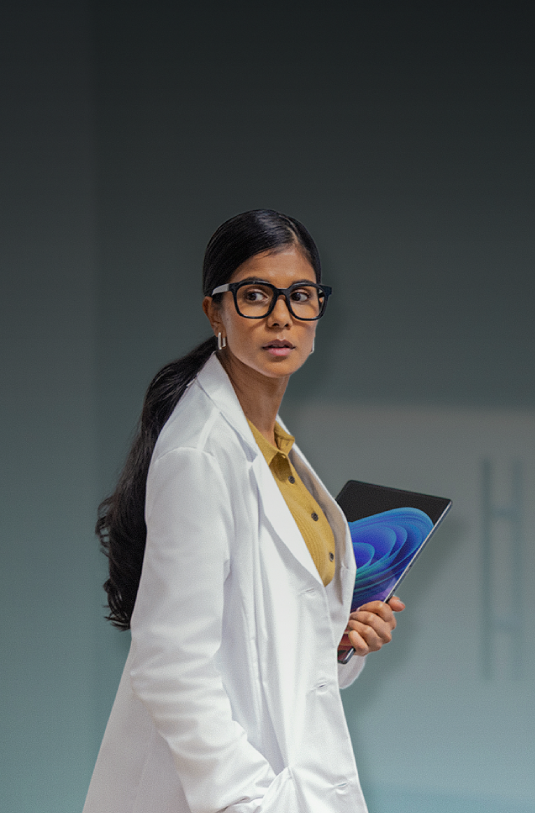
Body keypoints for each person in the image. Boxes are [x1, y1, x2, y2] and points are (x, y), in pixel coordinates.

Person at [83, 209, 404, 813]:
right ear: (216, 312)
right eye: (256, 295)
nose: (282, 317)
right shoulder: (201, 454)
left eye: (300, 296)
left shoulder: (272, 447)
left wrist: (343, 643)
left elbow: (266, 646)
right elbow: (168, 664)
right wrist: (248, 799)